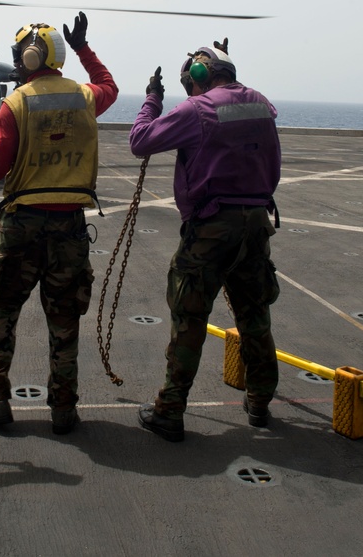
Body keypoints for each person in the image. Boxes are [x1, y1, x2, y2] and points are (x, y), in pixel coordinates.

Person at [0, 12, 118, 435]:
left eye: (20, 55)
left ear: (32, 56)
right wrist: (84, 49)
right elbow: (109, 86)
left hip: (21, 226)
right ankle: (64, 410)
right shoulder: (84, 97)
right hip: (69, 227)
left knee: (0, 314)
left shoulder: (15, 103)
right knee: (65, 320)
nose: (16, 62)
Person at [128, 40, 281, 442]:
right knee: (254, 315)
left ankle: (169, 410)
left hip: (212, 229)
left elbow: (140, 141)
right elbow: (271, 164)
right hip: (255, 224)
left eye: (190, 82)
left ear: (199, 75)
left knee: (189, 317)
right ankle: (260, 403)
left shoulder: (197, 109)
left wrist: (152, 100)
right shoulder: (261, 104)